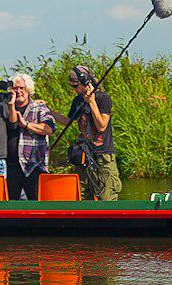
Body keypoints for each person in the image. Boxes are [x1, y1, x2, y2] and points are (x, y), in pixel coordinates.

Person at [50, 66, 122, 201]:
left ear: (86, 81)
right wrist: (50, 112)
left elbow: (102, 126)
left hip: (102, 154)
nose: (74, 90)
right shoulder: (78, 100)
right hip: (84, 155)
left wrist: (92, 103)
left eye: (76, 86)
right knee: (84, 195)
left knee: (107, 195)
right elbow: (69, 121)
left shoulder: (103, 98)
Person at [6, 73, 55, 200]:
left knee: (36, 205)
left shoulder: (39, 108)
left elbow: (49, 129)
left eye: (21, 88)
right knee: (9, 207)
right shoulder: (6, 108)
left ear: (28, 89)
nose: (18, 91)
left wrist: (26, 124)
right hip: (11, 166)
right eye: (15, 88)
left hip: (32, 165)